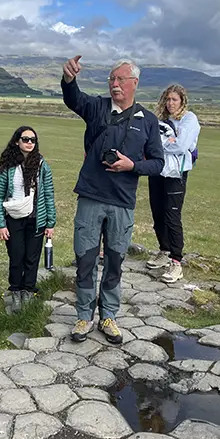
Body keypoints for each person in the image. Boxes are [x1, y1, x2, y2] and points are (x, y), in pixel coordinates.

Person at [61, 55, 164, 345]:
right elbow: (73, 99)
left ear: (135, 83)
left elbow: (158, 163)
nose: (115, 84)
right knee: (85, 260)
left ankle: (109, 316)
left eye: (120, 79)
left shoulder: (148, 121)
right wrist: (69, 79)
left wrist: (132, 166)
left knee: (115, 262)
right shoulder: (97, 107)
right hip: (91, 196)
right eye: (111, 79)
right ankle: (84, 315)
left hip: (122, 202)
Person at [0, 126, 56, 311]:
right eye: (25, 139)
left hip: (37, 219)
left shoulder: (42, 165)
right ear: (16, 141)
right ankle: (15, 291)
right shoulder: (7, 165)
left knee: (32, 258)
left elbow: (49, 194)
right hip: (13, 218)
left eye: (33, 140)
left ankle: (28, 291)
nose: (29, 143)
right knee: (16, 256)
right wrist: (0, 224)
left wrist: (50, 223)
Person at [145, 84, 200, 283]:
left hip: (176, 174)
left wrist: (161, 145)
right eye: (167, 99)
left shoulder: (189, 119)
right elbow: (151, 142)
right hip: (157, 170)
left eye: (174, 100)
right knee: (157, 213)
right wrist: (164, 144)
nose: (170, 103)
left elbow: (181, 145)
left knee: (172, 215)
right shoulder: (161, 119)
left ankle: (176, 262)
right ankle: (164, 250)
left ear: (182, 101)